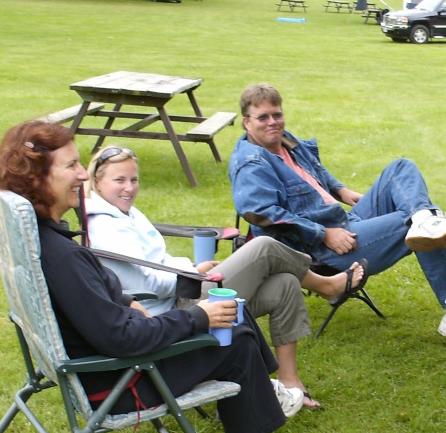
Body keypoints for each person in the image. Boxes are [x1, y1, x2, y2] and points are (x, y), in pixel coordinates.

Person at [0, 120, 309, 433]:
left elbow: (101, 308)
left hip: (101, 368)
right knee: (233, 336)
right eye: (71, 166)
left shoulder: (43, 240)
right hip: (118, 384)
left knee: (230, 320)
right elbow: (123, 338)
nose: (81, 175)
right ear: (38, 179)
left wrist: (125, 301)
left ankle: (264, 394)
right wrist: (198, 316)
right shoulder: (63, 258)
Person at [83, 145, 368, 410]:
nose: (129, 188)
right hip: (175, 315)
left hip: (182, 294)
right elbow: (146, 284)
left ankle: (289, 381)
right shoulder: (107, 227)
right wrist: (193, 274)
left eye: (134, 179)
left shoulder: (124, 213)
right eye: (119, 180)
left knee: (285, 284)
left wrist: (195, 266)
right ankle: (327, 285)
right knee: (263, 247)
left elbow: (158, 263)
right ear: (97, 182)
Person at [228, 83, 446, 346]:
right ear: (246, 122)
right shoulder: (251, 164)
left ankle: (426, 220)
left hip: (341, 222)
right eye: (262, 117)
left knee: (401, 168)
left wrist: (341, 190)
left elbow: (316, 172)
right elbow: (263, 214)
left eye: (277, 114)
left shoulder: (286, 142)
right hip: (320, 249)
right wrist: (324, 234)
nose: (273, 122)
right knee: (414, 227)